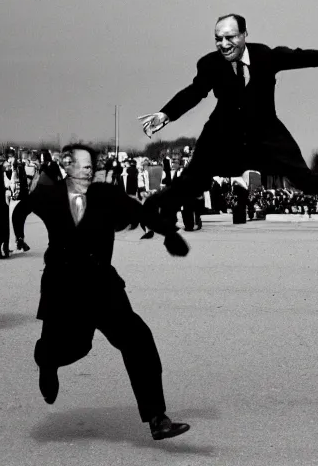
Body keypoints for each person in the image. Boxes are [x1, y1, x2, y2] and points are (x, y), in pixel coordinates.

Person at [139, 13, 318, 227]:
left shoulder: (267, 56)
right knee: (193, 177)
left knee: (306, 180)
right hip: (222, 131)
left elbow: (311, 58)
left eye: (230, 37)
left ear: (244, 34)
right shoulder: (209, 64)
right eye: (218, 39)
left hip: (266, 132)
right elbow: (195, 91)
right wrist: (166, 114)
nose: (223, 44)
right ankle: (165, 210)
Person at [12, 144, 190, 440]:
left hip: (101, 284)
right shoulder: (49, 194)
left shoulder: (105, 195)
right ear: (66, 165)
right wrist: (18, 234)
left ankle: (157, 417)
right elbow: (21, 209)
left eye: (90, 163)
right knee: (77, 347)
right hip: (63, 287)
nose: (87, 168)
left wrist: (169, 233)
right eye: (80, 163)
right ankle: (47, 360)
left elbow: (139, 210)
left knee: (138, 339)